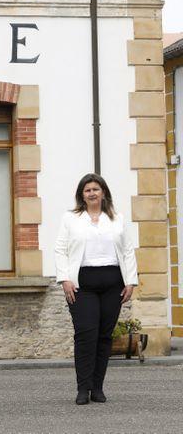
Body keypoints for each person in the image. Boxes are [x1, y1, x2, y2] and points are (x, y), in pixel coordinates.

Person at [54, 173, 137, 405]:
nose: (92, 193)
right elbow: (60, 249)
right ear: (82, 194)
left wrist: (130, 280)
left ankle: (98, 388)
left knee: (104, 336)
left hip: (113, 282)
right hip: (82, 284)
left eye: (96, 189)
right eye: (87, 190)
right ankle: (83, 388)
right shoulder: (71, 218)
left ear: (103, 193)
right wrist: (65, 279)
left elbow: (128, 250)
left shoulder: (117, 218)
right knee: (85, 335)